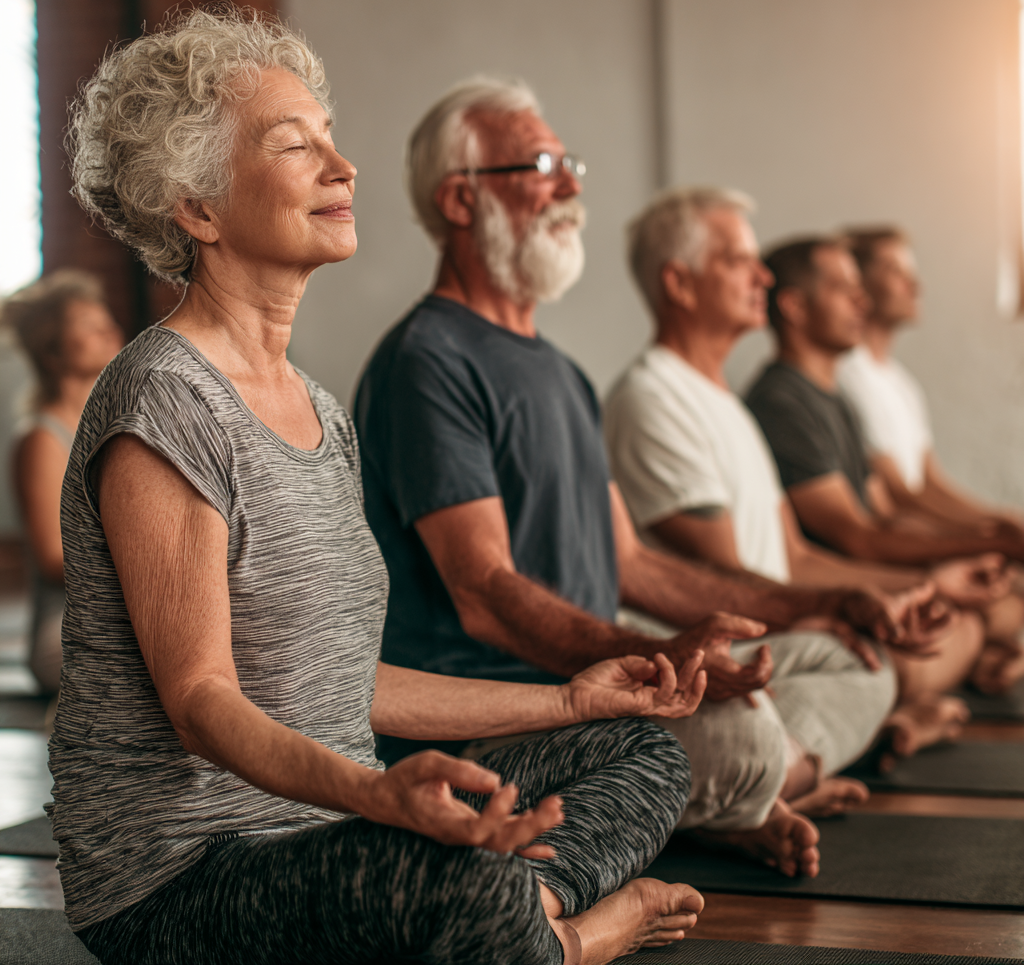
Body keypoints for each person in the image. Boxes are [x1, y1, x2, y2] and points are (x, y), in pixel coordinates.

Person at [51, 6, 714, 965]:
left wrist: (572, 703)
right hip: (187, 872)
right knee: (459, 873)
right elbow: (199, 697)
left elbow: (343, 684)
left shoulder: (321, 408)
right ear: (194, 205)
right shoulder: (163, 398)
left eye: (332, 138)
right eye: (295, 146)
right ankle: (568, 939)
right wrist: (376, 799)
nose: (343, 167)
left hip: (332, 830)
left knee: (638, 752)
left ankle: (514, 923)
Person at [354, 78, 934, 879]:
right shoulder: (428, 361)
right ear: (460, 199)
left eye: (571, 165)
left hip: (605, 689)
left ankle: (732, 800)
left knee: (851, 655)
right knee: (742, 735)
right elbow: (484, 592)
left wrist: (823, 603)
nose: (570, 186)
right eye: (544, 163)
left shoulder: (564, 373)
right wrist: (656, 661)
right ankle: (741, 793)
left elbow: (634, 565)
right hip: (510, 720)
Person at [604, 188, 996, 756]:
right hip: (737, 647)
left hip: (781, 623)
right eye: (737, 261)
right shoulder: (653, 397)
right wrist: (827, 611)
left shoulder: (727, 403)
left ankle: (791, 770)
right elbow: (722, 574)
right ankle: (781, 773)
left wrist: (926, 586)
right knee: (872, 666)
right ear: (678, 284)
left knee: (903, 647)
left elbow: (796, 554)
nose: (762, 276)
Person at [745, 236, 1022, 701]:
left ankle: (936, 699)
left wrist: (961, 559)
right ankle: (932, 696)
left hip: (877, 586)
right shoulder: (781, 402)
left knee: (986, 613)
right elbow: (857, 537)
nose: (862, 300)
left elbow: (884, 514)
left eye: (860, 286)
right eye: (842, 287)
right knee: (966, 630)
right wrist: (988, 542)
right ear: (793, 306)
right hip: (845, 595)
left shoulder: (836, 400)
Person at [837, 226, 1024, 693]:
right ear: (858, 285)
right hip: (902, 535)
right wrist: (985, 536)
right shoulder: (848, 374)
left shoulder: (898, 381)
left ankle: (990, 661)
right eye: (896, 271)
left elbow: (931, 481)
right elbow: (899, 496)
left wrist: (1002, 523)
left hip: (917, 527)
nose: (914, 285)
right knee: (1005, 607)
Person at [1, 270, 123, 694]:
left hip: (122, 609)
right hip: (66, 628)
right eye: (89, 327)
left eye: (105, 319)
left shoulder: (114, 427)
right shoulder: (42, 438)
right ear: (53, 351)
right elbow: (55, 561)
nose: (109, 330)